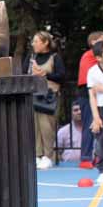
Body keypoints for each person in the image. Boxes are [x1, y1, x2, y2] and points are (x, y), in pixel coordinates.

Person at [24, 31, 66, 169]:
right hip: (33, 95)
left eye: (36, 41)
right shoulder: (31, 57)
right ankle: (37, 155)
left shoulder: (55, 57)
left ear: (45, 42)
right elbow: (24, 74)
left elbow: (61, 76)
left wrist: (44, 74)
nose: (33, 44)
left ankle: (48, 156)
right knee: (33, 126)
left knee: (47, 126)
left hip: (49, 97)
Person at [77, 30, 103, 168]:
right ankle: (86, 157)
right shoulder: (89, 57)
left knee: (101, 128)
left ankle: (97, 156)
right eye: (102, 41)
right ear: (93, 42)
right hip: (88, 94)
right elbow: (93, 84)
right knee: (91, 124)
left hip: (101, 96)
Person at [88, 39, 103, 186]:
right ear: (98, 58)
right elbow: (92, 95)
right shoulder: (92, 72)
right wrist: (96, 117)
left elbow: (99, 90)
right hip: (102, 110)